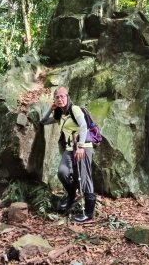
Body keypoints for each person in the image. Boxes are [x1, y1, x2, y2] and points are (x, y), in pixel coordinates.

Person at [40, 86, 96, 223]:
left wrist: (81, 146)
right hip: (70, 148)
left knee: (85, 178)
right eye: (57, 97)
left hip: (83, 147)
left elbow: (83, 126)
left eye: (62, 96)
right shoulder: (61, 114)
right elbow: (43, 121)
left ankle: (89, 213)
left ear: (67, 97)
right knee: (62, 172)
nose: (60, 99)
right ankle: (71, 195)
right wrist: (51, 109)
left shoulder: (75, 109)